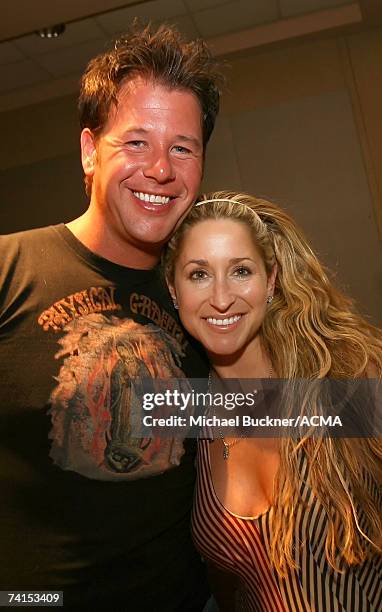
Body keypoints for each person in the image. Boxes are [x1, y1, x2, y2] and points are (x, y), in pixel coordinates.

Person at [0, 23, 222, 610]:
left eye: (182, 147)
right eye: (136, 142)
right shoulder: (7, 267)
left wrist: (358, 409)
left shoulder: (203, 298)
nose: (159, 170)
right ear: (88, 151)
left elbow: (256, 410)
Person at [164, 191, 382, 611]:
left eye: (241, 271)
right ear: (174, 291)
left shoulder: (346, 383)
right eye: (198, 275)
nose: (222, 298)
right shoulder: (183, 426)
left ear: (272, 279)